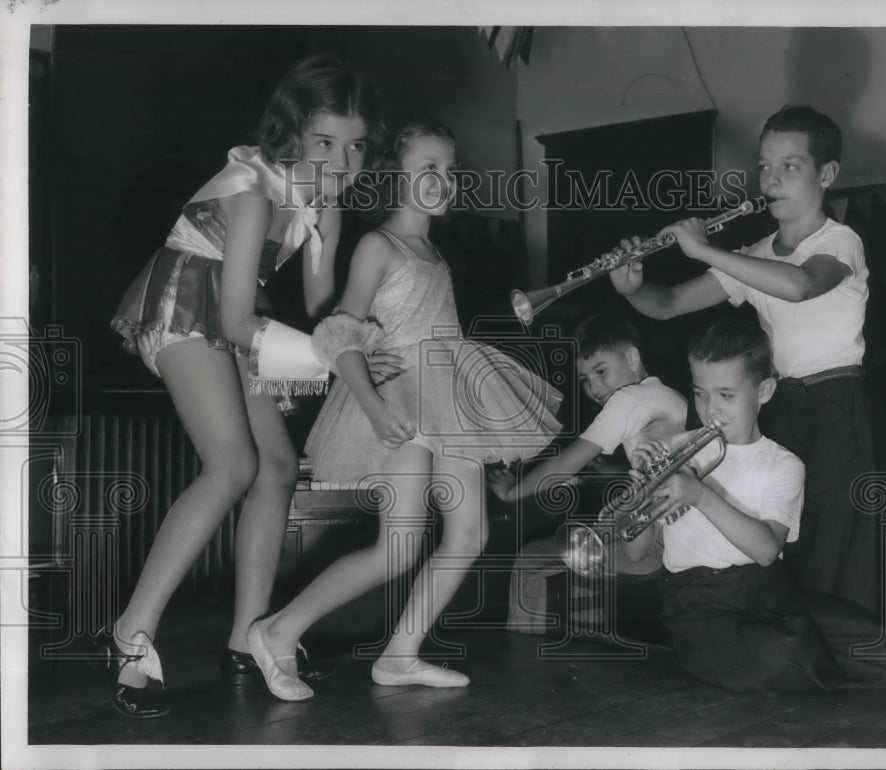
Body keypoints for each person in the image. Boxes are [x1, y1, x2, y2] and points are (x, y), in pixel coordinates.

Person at [105, 55, 401, 718]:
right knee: (231, 464)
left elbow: (322, 311)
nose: (341, 162)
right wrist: (328, 359)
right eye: (324, 142)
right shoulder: (252, 190)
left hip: (238, 314)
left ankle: (248, 641)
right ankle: (130, 633)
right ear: (291, 132)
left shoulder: (326, 209)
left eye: (356, 146)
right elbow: (239, 319)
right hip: (186, 301)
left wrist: (357, 337)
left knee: (277, 466)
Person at [245, 116, 563, 700]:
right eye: (428, 168)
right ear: (394, 176)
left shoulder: (435, 252)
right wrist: (370, 404)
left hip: (452, 398)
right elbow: (339, 331)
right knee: (397, 546)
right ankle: (277, 630)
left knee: (470, 532)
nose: (444, 180)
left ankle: (399, 656)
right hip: (403, 404)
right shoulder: (378, 245)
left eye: (450, 169)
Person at [612, 105, 879, 613]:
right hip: (776, 404)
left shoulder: (840, 242)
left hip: (836, 408)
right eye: (764, 166)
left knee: (831, 547)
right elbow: (667, 304)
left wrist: (705, 250)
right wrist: (633, 288)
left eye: (789, 166)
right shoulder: (756, 253)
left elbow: (800, 285)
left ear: (827, 174)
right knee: (775, 544)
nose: (771, 179)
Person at [623, 317, 886, 694]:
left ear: (764, 390)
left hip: (771, 593)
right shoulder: (672, 452)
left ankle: (812, 669)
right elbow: (636, 552)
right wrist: (640, 494)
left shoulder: (783, 464)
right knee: (779, 654)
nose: (710, 410)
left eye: (726, 395)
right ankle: (814, 671)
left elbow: (767, 550)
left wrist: (699, 494)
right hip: (697, 604)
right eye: (700, 393)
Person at [487, 312, 688, 632]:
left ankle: (525, 652)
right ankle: (583, 642)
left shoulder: (629, 399)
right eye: (584, 379)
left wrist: (513, 492)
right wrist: (612, 471)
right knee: (580, 549)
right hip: (675, 531)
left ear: (632, 358)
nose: (593, 387)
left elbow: (568, 461)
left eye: (601, 371)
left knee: (530, 559)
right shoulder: (665, 394)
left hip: (660, 543)